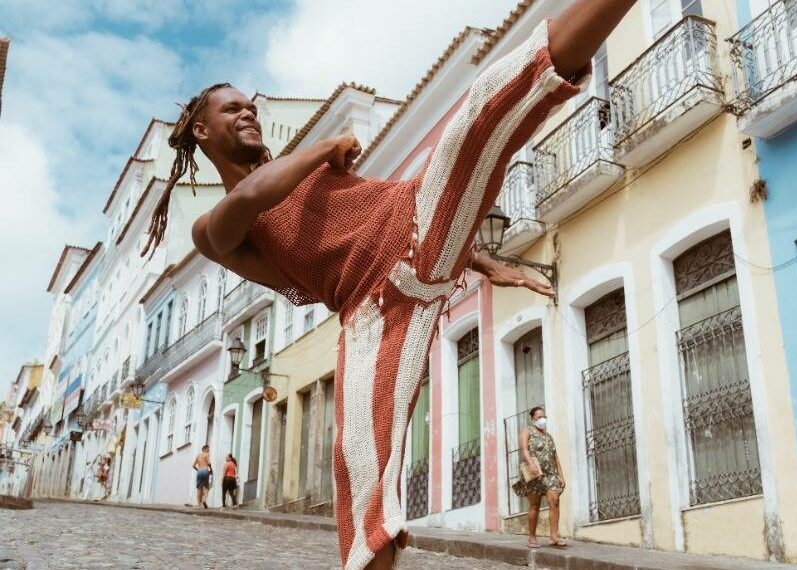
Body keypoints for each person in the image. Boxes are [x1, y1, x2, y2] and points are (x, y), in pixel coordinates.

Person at [144, 2, 636, 567]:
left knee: (489, 101)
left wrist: (481, 261)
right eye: (234, 110)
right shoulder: (214, 228)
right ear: (202, 130)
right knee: (361, 469)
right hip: (368, 311)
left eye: (252, 106)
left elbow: (379, 214)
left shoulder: (309, 176)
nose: (249, 113)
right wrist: (324, 149)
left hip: (415, 227)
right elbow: (251, 198)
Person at [512, 406, 566, 548]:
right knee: (535, 505)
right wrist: (531, 464)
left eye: (544, 417)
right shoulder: (527, 431)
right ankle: (532, 537)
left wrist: (561, 475)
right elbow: (523, 449)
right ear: (532, 419)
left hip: (550, 474)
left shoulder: (549, 437)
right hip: (534, 473)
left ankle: (554, 536)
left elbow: (555, 456)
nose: (542, 420)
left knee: (554, 500)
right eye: (538, 417)